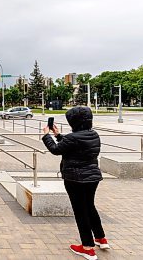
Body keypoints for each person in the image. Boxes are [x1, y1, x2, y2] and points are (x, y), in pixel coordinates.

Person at [42, 106, 109, 260]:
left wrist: (47, 135)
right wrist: (58, 135)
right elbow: (73, 145)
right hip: (92, 178)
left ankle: (87, 247)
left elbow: (56, 150)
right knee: (90, 207)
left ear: (74, 122)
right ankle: (101, 238)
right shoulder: (93, 135)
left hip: (75, 179)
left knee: (80, 211)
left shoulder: (74, 138)